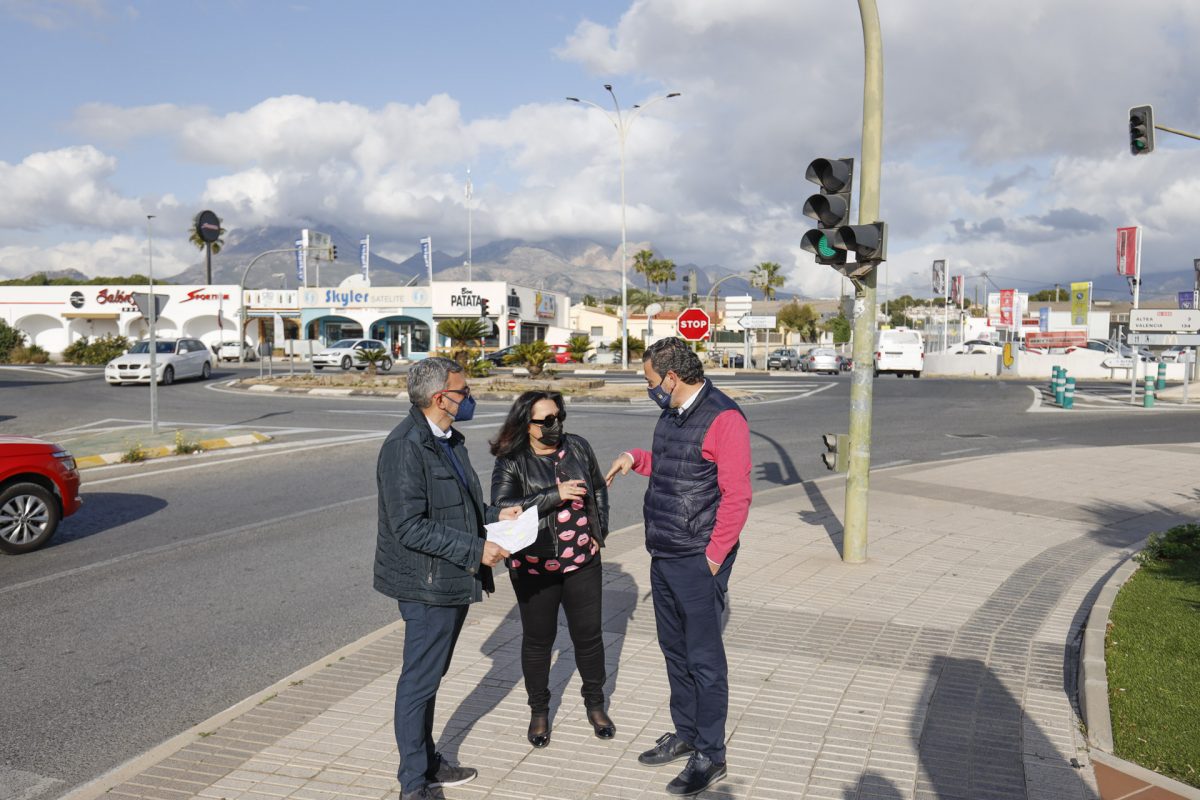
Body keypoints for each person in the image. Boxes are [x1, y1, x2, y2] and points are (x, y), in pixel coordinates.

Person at [605, 337, 752, 797]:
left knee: (705, 660)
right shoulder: (671, 412)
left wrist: (712, 559)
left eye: (650, 380)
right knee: (675, 651)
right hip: (664, 551)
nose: (647, 388)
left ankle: (712, 753)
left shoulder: (724, 418)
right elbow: (676, 467)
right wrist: (636, 458)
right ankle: (686, 732)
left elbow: (737, 496)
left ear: (671, 376)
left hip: (696, 558)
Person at [375, 356, 521, 800]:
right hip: (426, 585)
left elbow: (459, 507)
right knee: (418, 682)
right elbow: (408, 526)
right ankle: (413, 784)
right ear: (441, 398)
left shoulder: (447, 439)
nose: (471, 398)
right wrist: (477, 549)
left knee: (430, 678)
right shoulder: (405, 447)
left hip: (449, 578)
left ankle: (428, 761)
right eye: (465, 392)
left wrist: (498, 515)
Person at [490, 391, 615, 748]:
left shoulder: (577, 446)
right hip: (534, 568)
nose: (555, 425)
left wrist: (598, 532)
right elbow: (503, 506)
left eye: (558, 416)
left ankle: (595, 704)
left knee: (588, 637)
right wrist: (554, 494)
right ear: (524, 425)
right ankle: (539, 711)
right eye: (545, 420)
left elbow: (598, 489)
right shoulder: (512, 460)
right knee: (538, 642)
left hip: (582, 562)